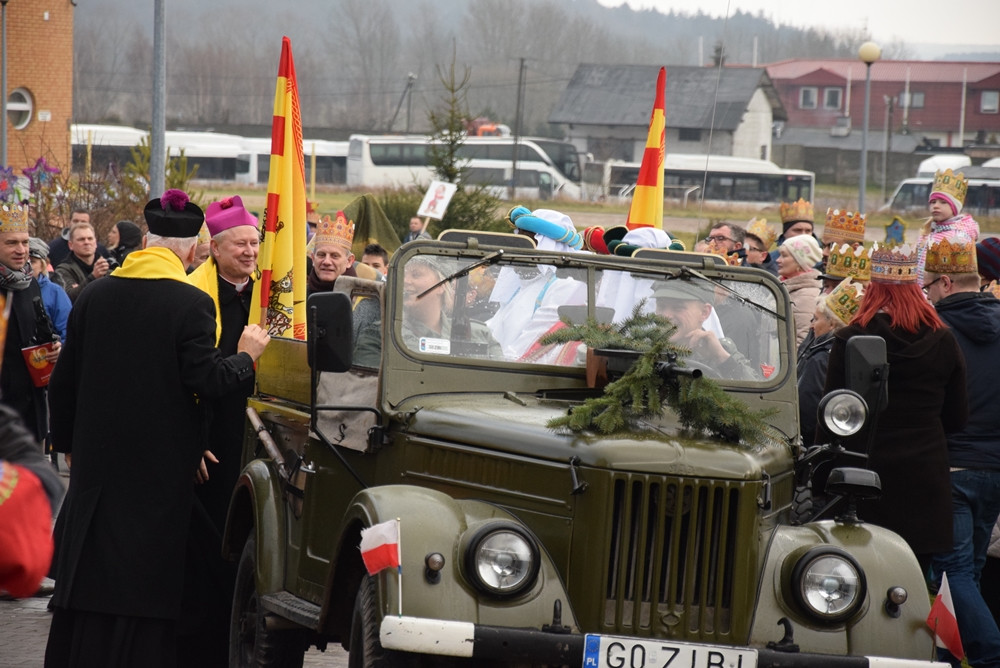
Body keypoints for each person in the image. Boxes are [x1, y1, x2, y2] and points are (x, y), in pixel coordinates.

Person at [44, 189, 271, 668]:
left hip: (98, 464)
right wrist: (246, 357)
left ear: (146, 240)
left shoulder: (93, 295)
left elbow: (64, 382)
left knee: (94, 572)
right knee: (141, 581)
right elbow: (207, 380)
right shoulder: (190, 303)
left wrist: (67, 444)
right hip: (159, 472)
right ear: (193, 251)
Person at [823, 243, 967, 576]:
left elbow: (831, 413)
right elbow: (958, 417)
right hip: (924, 480)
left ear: (872, 290)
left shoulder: (849, 338)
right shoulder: (943, 340)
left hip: (861, 476)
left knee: (855, 581)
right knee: (911, 585)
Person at [183, 195, 260, 665]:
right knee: (205, 562)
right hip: (211, 446)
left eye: (255, 243)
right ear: (215, 249)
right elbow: (185, 380)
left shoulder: (269, 296)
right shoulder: (194, 297)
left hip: (257, 439)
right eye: (240, 245)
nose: (250, 252)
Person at [921, 233, 1000, 668]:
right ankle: (951, 656)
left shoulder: (938, 331)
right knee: (971, 569)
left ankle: (989, 656)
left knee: (956, 573)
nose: (928, 293)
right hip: (994, 468)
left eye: (929, 285)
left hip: (952, 466)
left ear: (947, 284)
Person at [486, 208, 588, 361]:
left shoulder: (564, 288)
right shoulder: (521, 287)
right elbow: (492, 332)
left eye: (525, 245)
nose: (515, 252)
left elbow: (527, 347)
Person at [0, 205, 60, 445]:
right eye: (12, 243)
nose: (21, 250)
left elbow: (37, 329)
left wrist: (53, 346)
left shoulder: (30, 284)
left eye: (25, 242)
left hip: (29, 406)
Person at [797, 278, 863, 447]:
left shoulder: (821, 358)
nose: (812, 326)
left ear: (831, 323)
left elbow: (807, 409)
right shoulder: (842, 351)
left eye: (816, 319)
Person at [651, 280, 756, 381]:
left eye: (678, 308)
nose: (666, 316)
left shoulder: (723, 350)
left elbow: (758, 392)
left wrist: (722, 358)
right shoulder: (642, 347)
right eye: (661, 306)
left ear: (704, 312)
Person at [402, 254, 502, 359]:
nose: (405, 281)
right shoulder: (392, 333)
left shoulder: (480, 335)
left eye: (416, 274)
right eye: (403, 275)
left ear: (441, 285)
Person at [916, 168, 979, 285]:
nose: (936, 206)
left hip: (941, 293)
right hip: (920, 293)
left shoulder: (959, 236)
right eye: (933, 202)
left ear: (954, 207)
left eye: (943, 202)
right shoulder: (928, 232)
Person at [776, 234, 822, 347]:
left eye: (784, 256)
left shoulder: (807, 296)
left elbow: (800, 340)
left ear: (799, 261)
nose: (778, 260)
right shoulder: (783, 285)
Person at [53, 222, 111, 302]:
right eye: (81, 239)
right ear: (71, 245)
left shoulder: (108, 265)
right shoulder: (63, 270)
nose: (86, 242)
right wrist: (93, 277)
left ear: (95, 243)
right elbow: (69, 298)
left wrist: (80, 287)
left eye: (90, 238)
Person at [28, 237, 71, 341]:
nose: (27, 265)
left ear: (42, 265)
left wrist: (59, 348)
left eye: (33, 262)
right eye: (25, 260)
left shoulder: (55, 292)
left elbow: (68, 330)